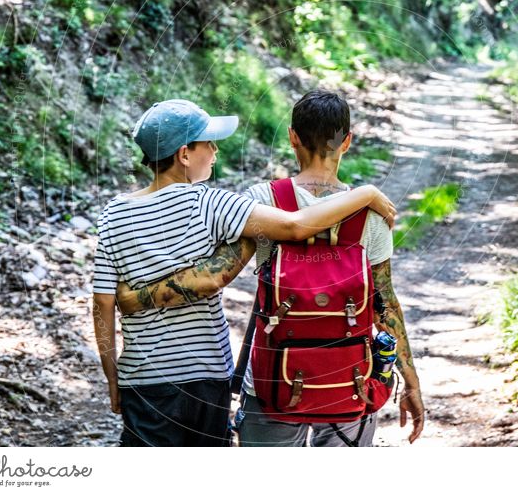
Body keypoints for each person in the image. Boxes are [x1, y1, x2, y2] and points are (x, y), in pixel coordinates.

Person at [123, 91, 425, 446]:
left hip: (273, 383)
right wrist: (411, 382)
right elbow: (384, 304)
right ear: (347, 142)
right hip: (351, 382)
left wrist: (134, 298)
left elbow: (213, 276)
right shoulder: (372, 212)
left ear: (293, 137)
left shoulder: (262, 200)